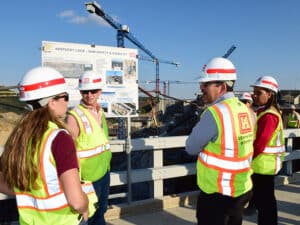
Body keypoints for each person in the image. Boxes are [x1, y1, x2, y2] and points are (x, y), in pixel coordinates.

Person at [0, 66, 97, 225]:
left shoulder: (18, 137)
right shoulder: (59, 139)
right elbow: (76, 201)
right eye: (65, 96)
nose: (67, 102)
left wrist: (27, 192)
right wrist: (85, 208)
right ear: (51, 102)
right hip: (65, 221)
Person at [185, 57, 254, 225]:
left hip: (217, 193)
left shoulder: (215, 113)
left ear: (222, 87)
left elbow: (191, 147)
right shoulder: (246, 111)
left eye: (206, 84)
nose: (201, 88)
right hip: (241, 188)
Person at [67, 71, 111, 225]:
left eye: (93, 91)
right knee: (89, 216)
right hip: (87, 178)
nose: (89, 95)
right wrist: (76, 182)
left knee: (101, 211)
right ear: (80, 92)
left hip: (104, 171)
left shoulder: (100, 112)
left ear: (100, 91)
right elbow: (69, 152)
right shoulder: (74, 116)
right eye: (85, 91)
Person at [250, 75, 285, 225]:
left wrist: (247, 159)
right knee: (266, 202)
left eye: (259, 93)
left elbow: (260, 143)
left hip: (263, 165)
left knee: (266, 205)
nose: (254, 96)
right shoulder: (265, 111)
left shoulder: (269, 116)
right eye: (254, 92)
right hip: (264, 165)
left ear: (270, 94)